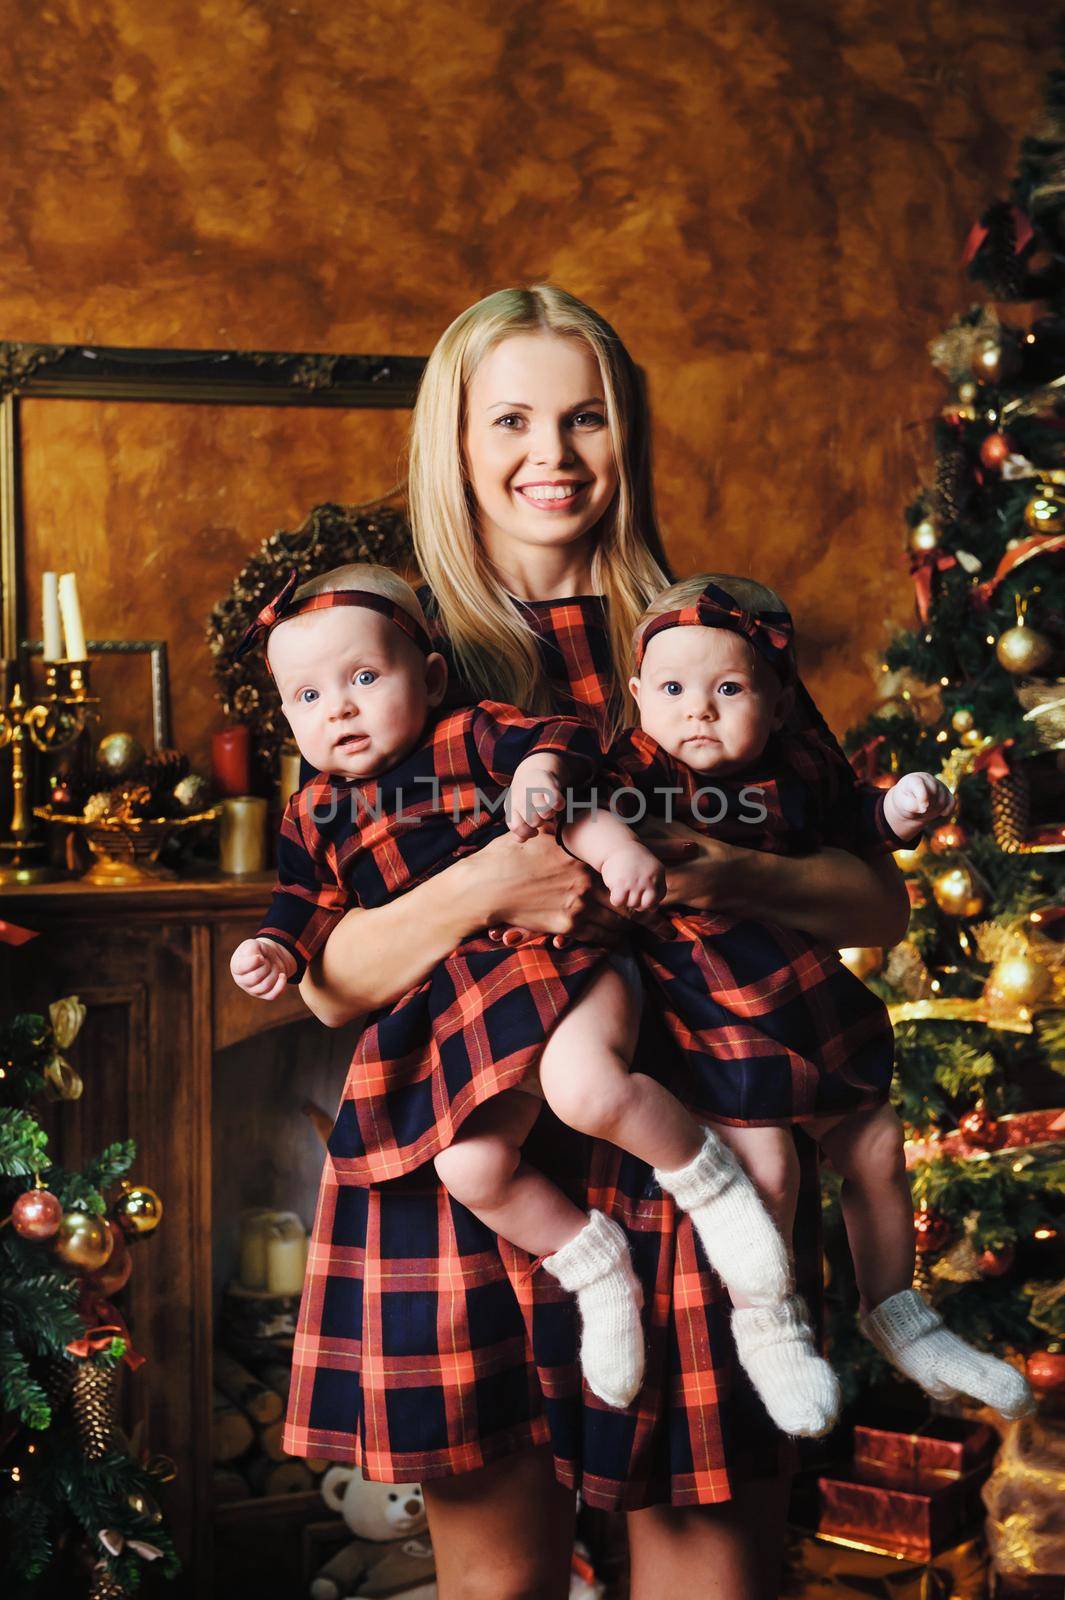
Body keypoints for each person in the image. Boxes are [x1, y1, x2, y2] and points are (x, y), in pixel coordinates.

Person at [284, 284, 913, 1600]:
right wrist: (492, 889)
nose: (550, 457)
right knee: (500, 1587)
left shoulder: (697, 644)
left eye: (585, 420)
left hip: (686, 1154)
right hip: (471, 1153)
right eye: (510, 419)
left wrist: (739, 870)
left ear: (627, 436)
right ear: (453, 444)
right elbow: (331, 981)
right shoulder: (392, 661)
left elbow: (875, 902)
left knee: (711, 1582)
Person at [231, 563, 797, 1414]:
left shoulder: (461, 736)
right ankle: (590, 1263)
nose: (339, 708)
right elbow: (304, 902)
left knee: (588, 1089)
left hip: (559, 956)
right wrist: (275, 948)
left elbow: (566, 740)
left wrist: (536, 771)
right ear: (285, 718)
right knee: (468, 1163)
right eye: (307, 698)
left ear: (424, 678)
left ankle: (715, 1190)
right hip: (457, 1003)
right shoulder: (312, 810)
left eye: (362, 679)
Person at [576, 570, 1033, 1426]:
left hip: (807, 995)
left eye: (728, 689)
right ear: (637, 696)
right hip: (711, 1010)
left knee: (877, 1145)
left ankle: (898, 1312)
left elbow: (854, 822)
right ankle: (770, 1326)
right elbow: (573, 808)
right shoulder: (638, 769)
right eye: (672, 690)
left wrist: (899, 810)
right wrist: (613, 850)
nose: (697, 712)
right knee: (771, 1172)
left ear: (779, 699)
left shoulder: (798, 766)